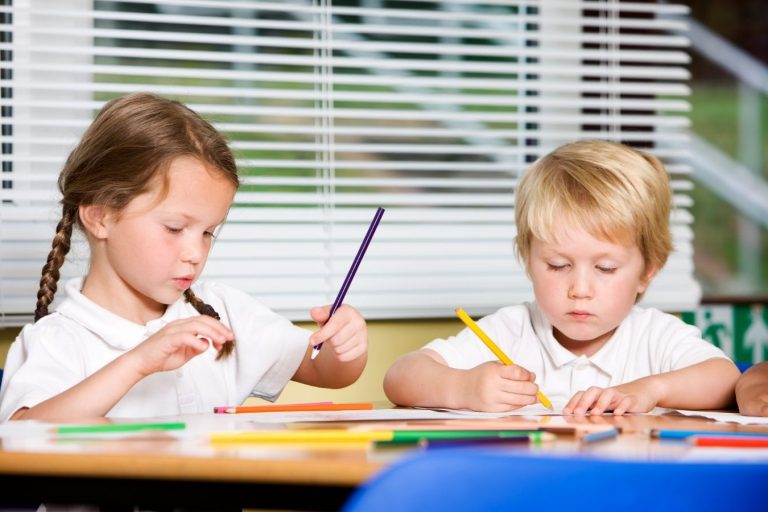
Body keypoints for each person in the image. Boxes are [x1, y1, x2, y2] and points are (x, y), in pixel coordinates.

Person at [0, 93, 368, 422]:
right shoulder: (56, 339)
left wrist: (344, 345)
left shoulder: (224, 312)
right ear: (101, 216)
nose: (195, 253)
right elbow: (23, 435)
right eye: (175, 228)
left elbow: (325, 373)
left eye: (208, 232)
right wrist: (138, 362)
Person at [384, 140, 739, 415]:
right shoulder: (512, 330)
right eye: (557, 265)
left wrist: (651, 389)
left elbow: (725, 380)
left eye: (605, 269)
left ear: (647, 272)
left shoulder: (654, 336)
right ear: (528, 260)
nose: (580, 290)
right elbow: (400, 376)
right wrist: (461, 387)